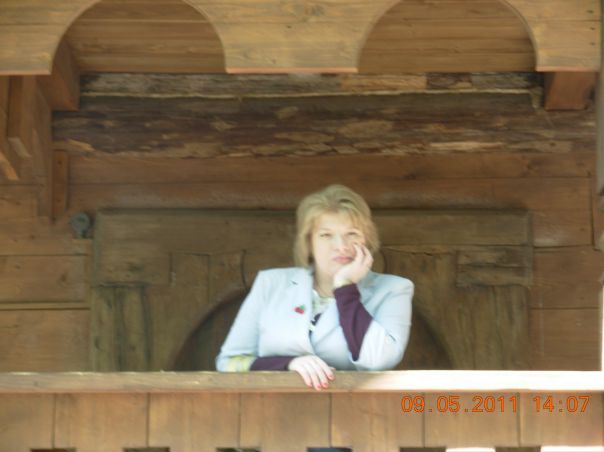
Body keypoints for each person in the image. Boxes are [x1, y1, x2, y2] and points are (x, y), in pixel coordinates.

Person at [216, 184, 413, 391]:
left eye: (352, 234)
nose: (341, 246)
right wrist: (288, 364)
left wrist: (345, 288)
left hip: (353, 408)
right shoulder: (270, 283)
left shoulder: (393, 290)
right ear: (309, 242)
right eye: (326, 235)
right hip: (271, 407)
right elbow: (228, 363)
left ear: (367, 239)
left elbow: (379, 360)